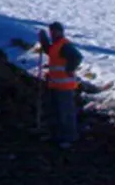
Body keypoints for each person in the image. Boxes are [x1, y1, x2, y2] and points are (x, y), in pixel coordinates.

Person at [38, 21, 83, 149]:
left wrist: (69, 69)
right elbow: (50, 51)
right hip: (55, 85)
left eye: (54, 31)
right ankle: (57, 135)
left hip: (65, 86)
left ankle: (69, 137)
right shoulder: (56, 45)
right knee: (56, 111)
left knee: (66, 112)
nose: (52, 34)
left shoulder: (64, 45)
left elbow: (77, 57)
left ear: (60, 32)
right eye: (51, 32)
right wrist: (44, 40)